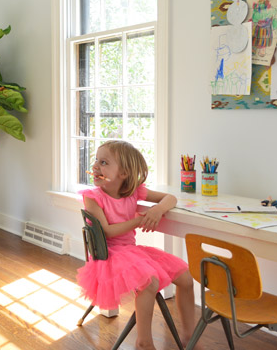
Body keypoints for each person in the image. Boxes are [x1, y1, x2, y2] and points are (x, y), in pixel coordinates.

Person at [78, 140, 198, 350]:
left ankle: (189, 336)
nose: (96, 166)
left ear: (123, 173)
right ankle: (144, 341)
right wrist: (139, 220)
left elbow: (171, 198)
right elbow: (107, 231)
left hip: (131, 250)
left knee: (186, 277)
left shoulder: (134, 192)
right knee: (148, 280)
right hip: (109, 255)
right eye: (96, 160)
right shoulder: (93, 197)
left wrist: (157, 210)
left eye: (104, 162)